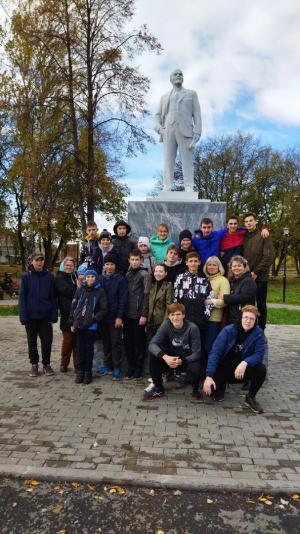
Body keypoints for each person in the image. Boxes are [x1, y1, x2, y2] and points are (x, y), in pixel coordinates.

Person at [203, 305, 266, 413]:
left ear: (255, 321)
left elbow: (259, 354)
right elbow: (215, 353)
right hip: (224, 368)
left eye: (251, 319)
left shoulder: (258, 333)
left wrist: (245, 362)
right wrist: (209, 376)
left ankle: (250, 397)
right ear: (241, 317)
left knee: (261, 369)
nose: (248, 321)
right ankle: (221, 385)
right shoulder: (228, 330)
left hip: (241, 370)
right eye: (245, 317)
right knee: (211, 392)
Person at [142, 303, 203, 402]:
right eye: (172, 315)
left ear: (183, 315)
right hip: (170, 357)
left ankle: (195, 390)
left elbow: (197, 353)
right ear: (169, 316)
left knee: (195, 367)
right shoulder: (166, 325)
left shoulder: (192, 328)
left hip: (186, 359)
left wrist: (181, 361)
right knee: (153, 355)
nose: (175, 317)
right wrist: (166, 357)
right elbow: (152, 344)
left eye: (178, 314)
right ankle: (158, 388)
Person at [154, 69, 201, 192]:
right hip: (168, 130)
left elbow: (197, 114)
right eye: (176, 74)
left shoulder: (191, 94)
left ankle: (189, 186)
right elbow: (157, 116)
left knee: (187, 160)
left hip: (186, 131)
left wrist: (197, 132)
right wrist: (160, 129)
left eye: (181, 74)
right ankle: (167, 186)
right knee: (168, 160)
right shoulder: (164, 97)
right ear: (171, 79)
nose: (179, 76)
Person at [19, 252, 57, 377]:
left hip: (45, 316)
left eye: (41, 260)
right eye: (37, 260)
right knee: (32, 342)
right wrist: (23, 315)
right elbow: (22, 298)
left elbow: (53, 297)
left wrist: (54, 314)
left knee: (47, 341)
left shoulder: (49, 276)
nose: (39, 262)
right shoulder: (26, 277)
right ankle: (34, 365)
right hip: (30, 317)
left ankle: (46, 364)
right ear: (32, 262)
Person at [174, 251, 214, 361]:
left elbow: (210, 299)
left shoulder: (205, 279)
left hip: (199, 319)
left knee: (197, 347)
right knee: (182, 345)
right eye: (190, 261)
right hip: (184, 318)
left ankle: (197, 371)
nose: (193, 264)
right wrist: (178, 317)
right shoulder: (180, 278)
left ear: (199, 263)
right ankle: (181, 370)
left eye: (195, 261)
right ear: (186, 263)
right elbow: (176, 298)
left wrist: (205, 316)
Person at [69, 269, 107, 385]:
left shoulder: (100, 291)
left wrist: (94, 318)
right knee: (80, 349)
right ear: (85, 278)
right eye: (88, 277)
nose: (90, 279)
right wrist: (72, 322)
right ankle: (80, 372)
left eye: (92, 277)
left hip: (91, 326)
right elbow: (73, 306)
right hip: (79, 325)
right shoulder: (80, 289)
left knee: (89, 350)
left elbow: (104, 309)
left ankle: (87, 372)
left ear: (96, 278)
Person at [98, 254, 128, 380]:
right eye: (107, 264)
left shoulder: (120, 279)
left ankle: (117, 368)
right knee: (106, 343)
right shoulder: (100, 279)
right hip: (102, 317)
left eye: (112, 264)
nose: (109, 267)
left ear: (115, 266)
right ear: (104, 266)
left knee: (116, 343)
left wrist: (119, 316)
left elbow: (123, 299)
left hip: (115, 317)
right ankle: (108, 365)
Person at [243, 212, 275, 330]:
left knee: (261, 306)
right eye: (246, 222)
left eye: (251, 220)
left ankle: (261, 331)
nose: (248, 223)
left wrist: (256, 272)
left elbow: (269, 256)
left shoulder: (264, 235)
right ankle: (249, 329)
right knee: (249, 306)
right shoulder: (245, 236)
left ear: (256, 221)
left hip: (260, 278)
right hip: (247, 278)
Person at [124, 249, 152, 379]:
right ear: (129, 260)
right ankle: (131, 367)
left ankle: (139, 368)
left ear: (141, 260)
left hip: (138, 315)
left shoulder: (144, 274)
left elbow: (147, 295)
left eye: (137, 259)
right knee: (128, 342)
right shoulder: (128, 273)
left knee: (139, 343)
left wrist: (144, 314)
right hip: (127, 314)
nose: (134, 262)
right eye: (132, 259)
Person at [55, 256, 78, 373]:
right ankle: (64, 363)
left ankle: (77, 365)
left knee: (77, 342)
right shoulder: (59, 277)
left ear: (74, 267)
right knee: (68, 341)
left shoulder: (74, 276)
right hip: (66, 314)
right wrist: (78, 288)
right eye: (67, 265)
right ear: (63, 266)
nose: (69, 267)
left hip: (77, 314)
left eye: (71, 265)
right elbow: (69, 292)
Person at [203, 256, 230, 354]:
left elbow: (225, 301)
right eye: (209, 265)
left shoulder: (223, 281)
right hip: (201, 318)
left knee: (209, 346)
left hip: (213, 319)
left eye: (214, 265)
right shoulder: (204, 279)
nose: (211, 267)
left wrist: (210, 301)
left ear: (219, 267)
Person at [223, 256, 257, 324]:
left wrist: (225, 297)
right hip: (233, 318)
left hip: (244, 319)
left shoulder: (248, 281)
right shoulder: (232, 281)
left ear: (244, 267)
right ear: (231, 268)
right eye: (234, 266)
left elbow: (244, 297)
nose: (236, 268)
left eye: (239, 266)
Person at [148, 264, 174, 341]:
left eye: (160, 271)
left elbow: (169, 306)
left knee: (158, 344)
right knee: (149, 343)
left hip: (160, 322)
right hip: (150, 320)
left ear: (165, 273)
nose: (157, 273)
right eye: (156, 271)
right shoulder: (152, 285)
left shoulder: (168, 286)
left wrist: (165, 323)